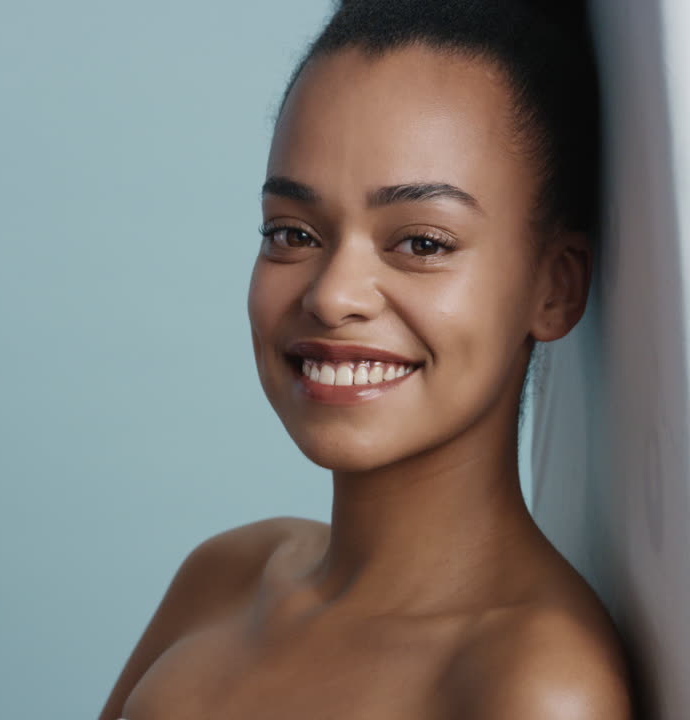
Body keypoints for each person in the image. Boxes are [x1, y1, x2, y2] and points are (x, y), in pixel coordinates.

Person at [98, 0, 636, 717]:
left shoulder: (530, 687)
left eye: (422, 243)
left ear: (555, 286)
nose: (333, 296)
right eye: (292, 233)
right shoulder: (222, 578)